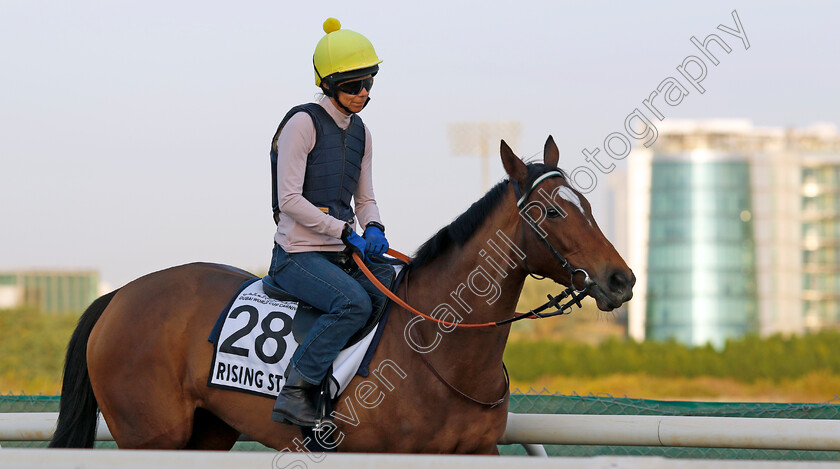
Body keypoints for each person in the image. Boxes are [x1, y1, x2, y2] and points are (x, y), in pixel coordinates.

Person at [267, 18, 389, 427]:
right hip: (296, 255)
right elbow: (289, 201)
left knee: (393, 284)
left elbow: (365, 197)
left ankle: (347, 382)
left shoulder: (362, 133)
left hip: (340, 250)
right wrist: (344, 231)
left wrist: (374, 228)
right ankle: (297, 390)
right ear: (328, 84)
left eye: (369, 83)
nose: (363, 94)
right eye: (354, 85)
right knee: (353, 302)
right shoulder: (302, 123)